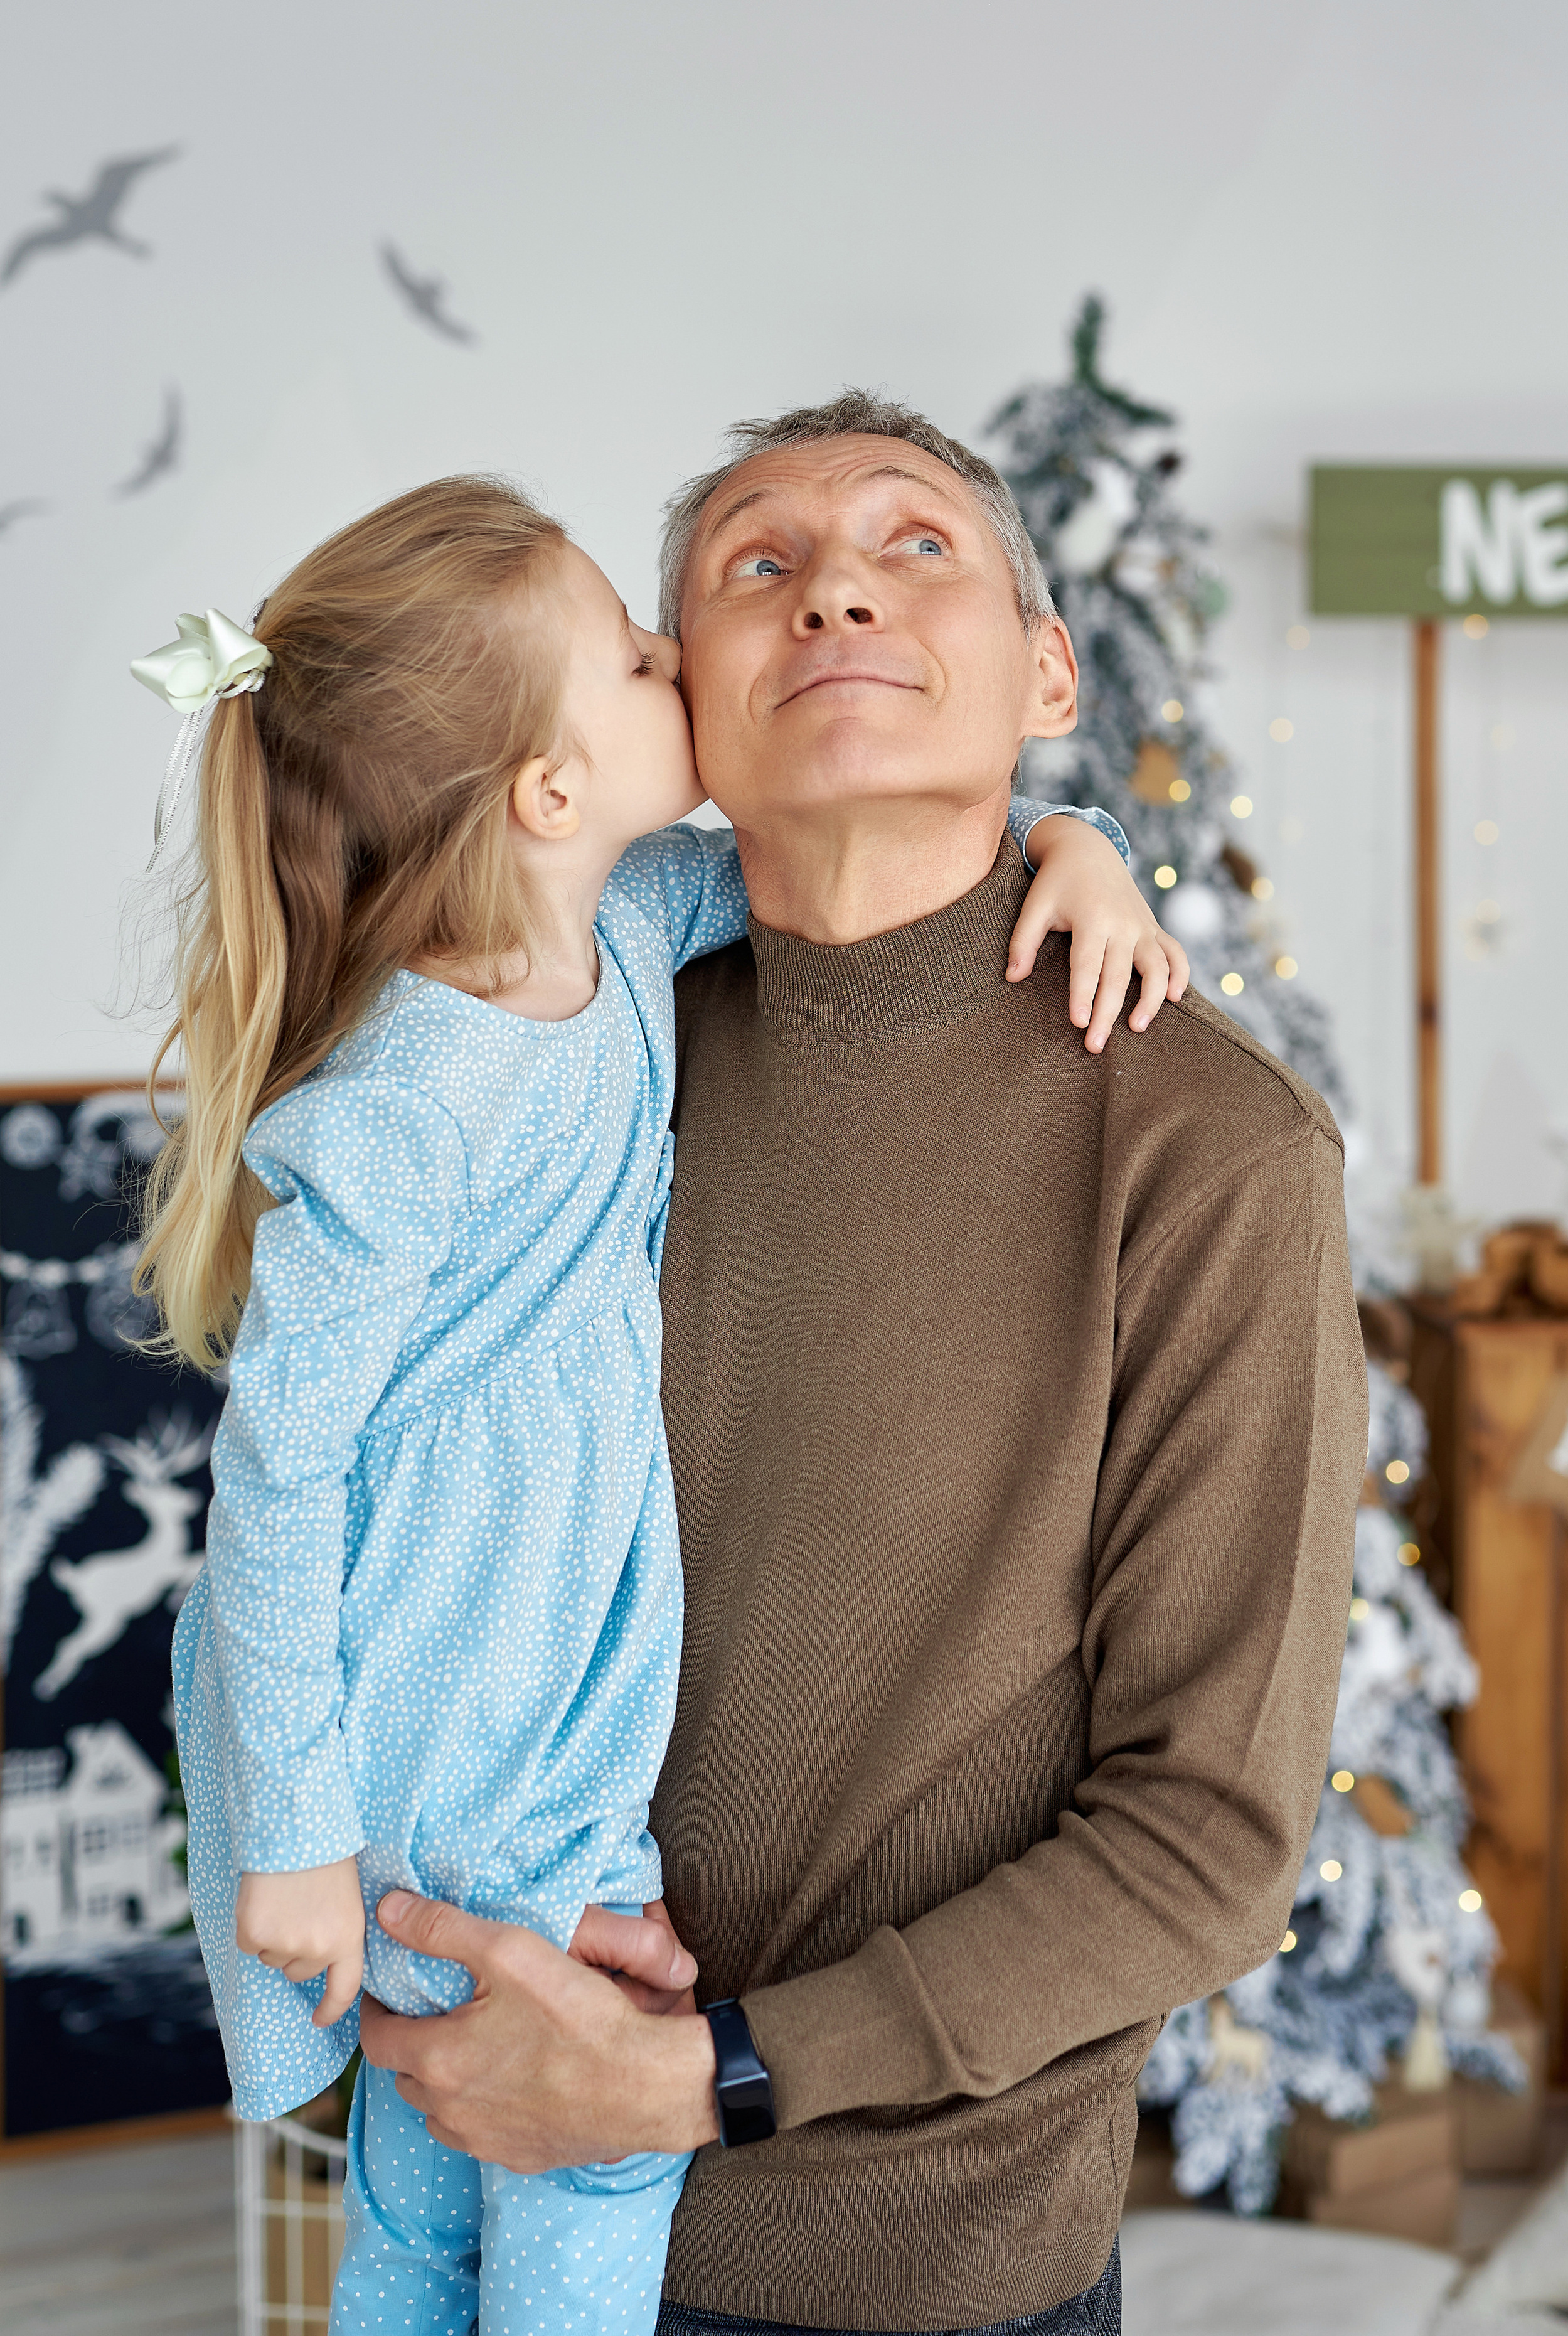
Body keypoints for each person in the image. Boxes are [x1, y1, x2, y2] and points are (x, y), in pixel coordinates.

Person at [360, 398, 1370, 2336]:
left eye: (918, 549)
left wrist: (702, 2072)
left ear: (1046, 669)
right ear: (682, 715)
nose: (833, 587)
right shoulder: (568, 1049)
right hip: (497, 2172)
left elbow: (1210, 1839)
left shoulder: (1211, 1152)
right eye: (758, 563)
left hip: (914, 2268)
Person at [131, 473, 1180, 2336]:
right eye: (636, 651)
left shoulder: (630, 925)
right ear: (549, 786)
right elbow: (281, 1469)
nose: (672, 662)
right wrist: (298, 1822)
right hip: (437, 1701)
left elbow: (902, 854)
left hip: (563, 1677)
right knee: (532, 2173)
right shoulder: (402, 1097)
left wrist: (1078, 836)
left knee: (478, 2180)